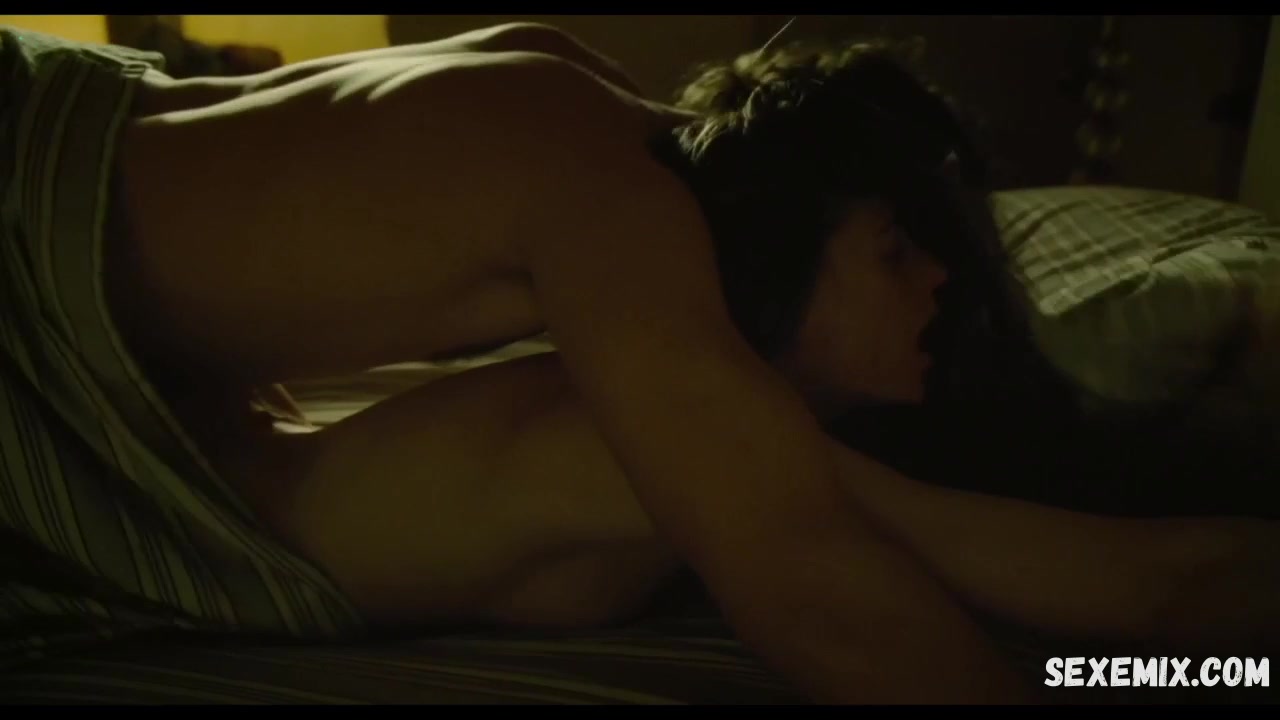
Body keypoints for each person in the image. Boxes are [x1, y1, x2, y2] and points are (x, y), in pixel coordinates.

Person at [0, 23, 1274, 703]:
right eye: (894, 249)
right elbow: (823, 597)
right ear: (787, 218)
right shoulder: (604, 195)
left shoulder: (558, 130)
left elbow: (1122, 597)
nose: (939, 284)